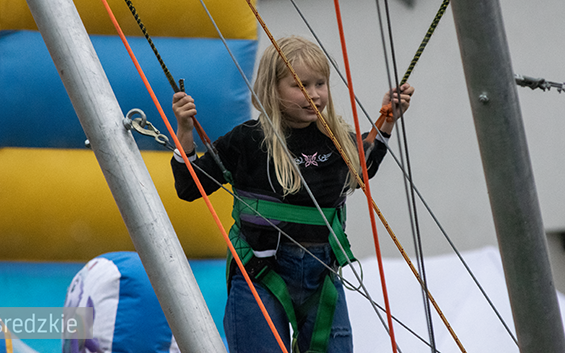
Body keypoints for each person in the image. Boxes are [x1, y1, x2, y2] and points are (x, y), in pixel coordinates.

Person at [170, 35, 413, 353]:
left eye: (320, 84)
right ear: (273, 89)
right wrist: (185, 133)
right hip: (260, 272)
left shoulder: (335, 140)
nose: (313, 95)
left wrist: (388, 120)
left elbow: (363, 167)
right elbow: (190, 187)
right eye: (300, 86)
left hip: (321, 275)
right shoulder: (248, 142)